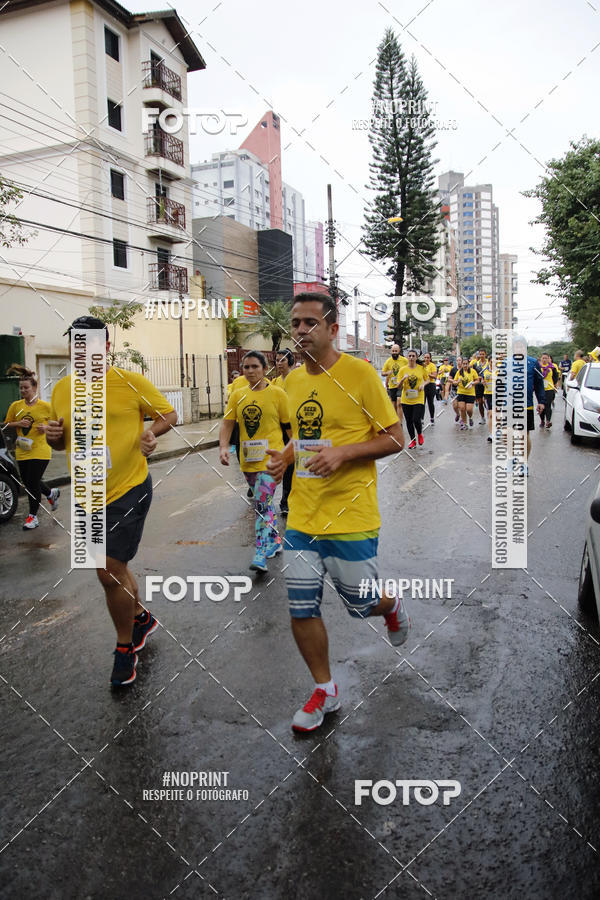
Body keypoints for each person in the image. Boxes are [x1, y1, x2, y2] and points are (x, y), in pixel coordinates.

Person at [266, 292, 408, 733]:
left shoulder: (360, 374)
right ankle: (324, 689)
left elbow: (395, 437)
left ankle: (390, 605)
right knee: (301, 607)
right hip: (302, 517)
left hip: (351, 515)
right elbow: (307, 434)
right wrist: (286, 457)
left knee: (360, 604)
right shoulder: (291, 381)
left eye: (310, 322)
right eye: (296, 322)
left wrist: (344, 454)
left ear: (332, 328)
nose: (301, 330)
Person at [46, 316, 177, 687]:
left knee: (107, 571)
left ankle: (124, 647)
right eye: (76, 344)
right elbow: (60, 441)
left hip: (128, 488)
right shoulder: (62, 389)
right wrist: (54, 436)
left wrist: (150, 433)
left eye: (88, 344)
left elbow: (169, 413)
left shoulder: (128, 382)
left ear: (105, 347)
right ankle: (141, 618)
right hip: (86, 494)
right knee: (114, 570)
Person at [219, 350, 290, 572]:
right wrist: (223, 447)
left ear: (265, 368)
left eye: (255, 367)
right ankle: (275, 541)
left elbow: (289, 428)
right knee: (263, 503)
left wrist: (293, 455)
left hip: (271, 460)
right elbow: (228, 423)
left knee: (262, 502)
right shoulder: (237, 395)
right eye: (246, 367)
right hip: (247, 459)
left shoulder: (278, 394)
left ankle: (260, 552)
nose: (250, 371)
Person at [2, 365, 59, 529]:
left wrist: (46, 428)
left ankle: (33, 517)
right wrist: (18, 423)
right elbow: (5, 425)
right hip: (22, 449)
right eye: (21, 388)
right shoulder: (16, 406)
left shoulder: (46, 406)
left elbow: (58, 425)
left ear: (34, 388)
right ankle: (50, 493)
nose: (23, 391)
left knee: (32, 482)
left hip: (41, 449)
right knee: (28, 483)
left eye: (26, 388)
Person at [272, 348, 295, 515]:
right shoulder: (274, 382)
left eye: (282, 360)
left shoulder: (297, 379)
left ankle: (286, 499)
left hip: (293, 427)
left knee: (291, 464)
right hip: (279, 428)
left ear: (290, 362)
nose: (279, 363)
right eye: (277, 360)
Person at [397, 349, 426, 448]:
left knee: (416, 419)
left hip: (418, 397)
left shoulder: (421, 368)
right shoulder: (402, 370)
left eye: (413, 356)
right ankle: (413, 440)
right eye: (409, 356)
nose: (411, 358)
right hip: (406, 398)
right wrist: (403, 379)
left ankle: (420, 433)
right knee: (409, 421)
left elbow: (427, 380)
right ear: (407, 357)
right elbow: (398, 386)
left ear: (416, 357)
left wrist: (423, 384)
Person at [382, 344, 407, 421]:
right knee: (394, 404)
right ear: (391, 351)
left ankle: (400, 422)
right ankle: (395, 421)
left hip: (401, 385)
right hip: (392, 385)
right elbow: (383, 373)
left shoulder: (404, 360)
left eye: (396, 351)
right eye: (393, 351)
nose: (394, 352)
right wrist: (387, 373)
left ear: (399, 351)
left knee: (399, 401)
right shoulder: (388, 361)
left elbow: (410, 368)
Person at [451, 358, 479, 430]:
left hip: (470, 393)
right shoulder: (459, 372)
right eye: (464, 364)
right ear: (462, 364)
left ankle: (470, 418)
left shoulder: (472, 371)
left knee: (469, 409)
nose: (465, 365)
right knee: (462, 408)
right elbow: (454, 382)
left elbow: (477, 380)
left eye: (466, 364)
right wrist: (457, 382)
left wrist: (472, 383)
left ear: (468, 364)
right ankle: (465, 424)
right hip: (461, 392)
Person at [539, 353, 559, 429]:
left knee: (548, 405)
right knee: (541, 405)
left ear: (549, 359)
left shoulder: (552, 367)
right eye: (543, 358)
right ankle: (542, 420)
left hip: (549, 389)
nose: (544, 359)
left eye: (546, 358)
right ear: (541, 359)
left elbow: (555, 377)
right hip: (540, 389)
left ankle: (548, 421)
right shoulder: (538, 367)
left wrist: (554, 384)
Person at [422, 352, 437, 425]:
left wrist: (428, 374)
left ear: (430, 358)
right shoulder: (421, 365)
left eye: (428, 358)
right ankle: (421, 419)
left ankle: (432, 418)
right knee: (422, 403)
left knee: (430, 402)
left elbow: (434, 376)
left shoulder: (432, 365)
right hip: (423, 384)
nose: (426, 359)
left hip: (431, 385)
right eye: (425, 357)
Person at [474, 348, 488, 424]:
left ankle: (490, 414)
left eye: (483, 354)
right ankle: (482, 418)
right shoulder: (476, 364)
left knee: (486, 401)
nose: (481, 356)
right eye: (480, 354)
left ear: (485, 354)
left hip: (487, 385)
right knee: (480, 402)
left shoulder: (489, 363)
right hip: (479, 385)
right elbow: (474, 375)